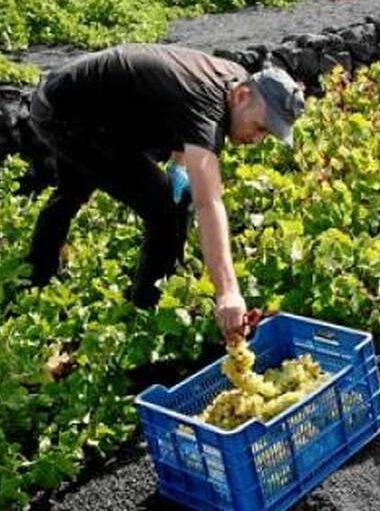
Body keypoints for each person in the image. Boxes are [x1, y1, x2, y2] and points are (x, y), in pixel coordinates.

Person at [26, 45, 305, 340]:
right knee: (164, 212)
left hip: (78, 99)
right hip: (66, 113)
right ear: (242, 96)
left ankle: (34, 278)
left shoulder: (234, 79)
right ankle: (147, 312)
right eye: (260, 127)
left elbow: (174, 102)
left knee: (77, 190)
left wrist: (178, 164)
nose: (258, 139)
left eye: (267, 135)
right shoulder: (209, 106)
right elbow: (209, 203)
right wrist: (228, 292)